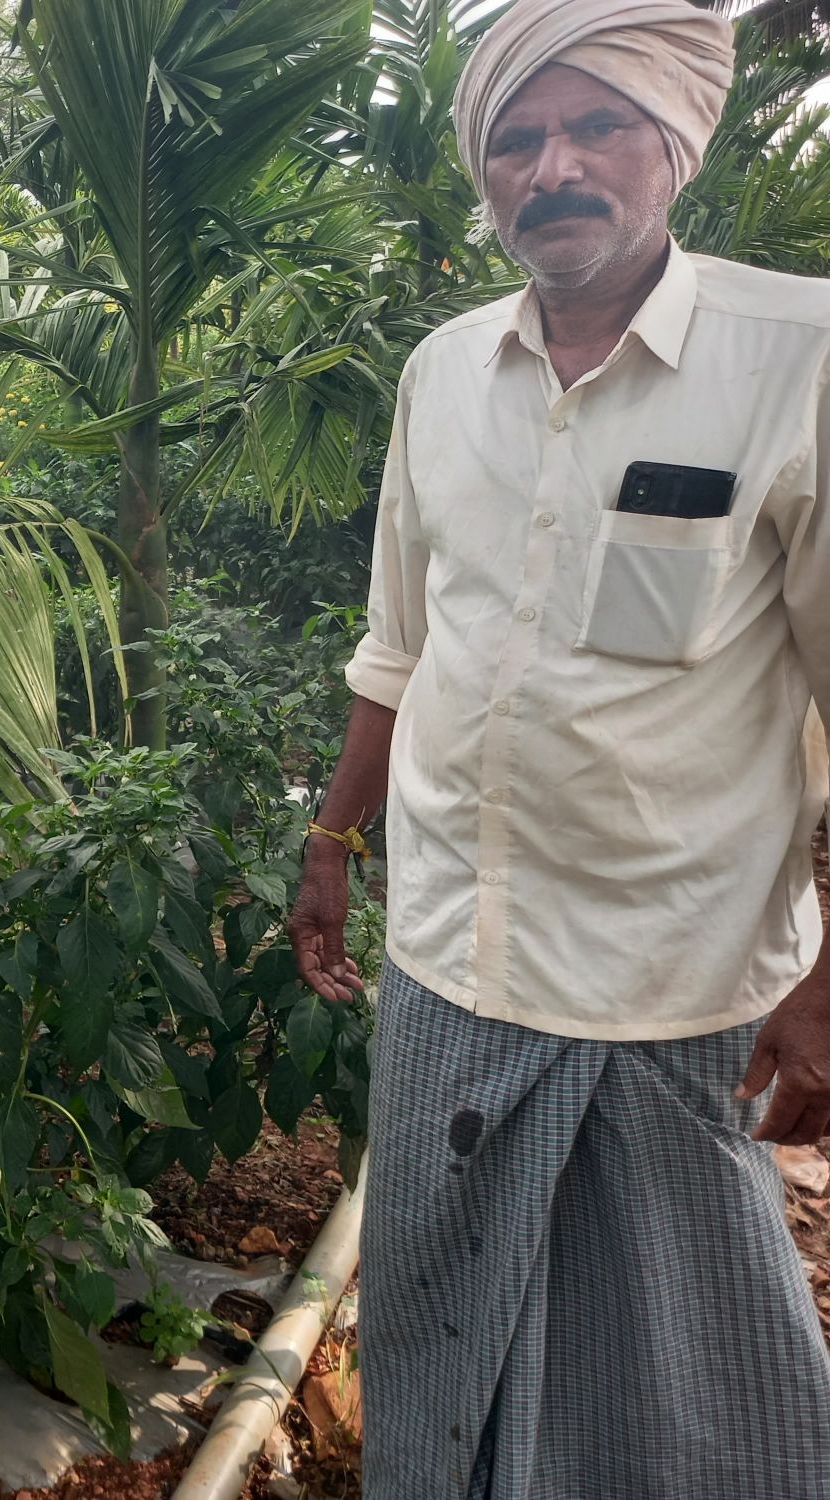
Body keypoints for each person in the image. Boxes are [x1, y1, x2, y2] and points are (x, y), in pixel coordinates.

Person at [287, 3, 830, 1495]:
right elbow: (400, 641)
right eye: (517, 139)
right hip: (455, 946)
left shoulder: (802, 358)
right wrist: (336, 838)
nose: (556, 166)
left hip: (673, 970)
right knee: (437, 1297)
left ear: (677, 141)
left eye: (597, 126)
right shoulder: (443, 373)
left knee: (686, 1355)